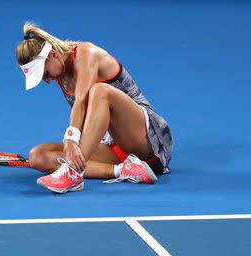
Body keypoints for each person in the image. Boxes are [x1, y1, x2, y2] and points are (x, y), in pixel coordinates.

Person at [16, 22, 172, 193]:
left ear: (53, 54)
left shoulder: (86, 53)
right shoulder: (60, 72)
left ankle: (73, 174)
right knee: (37, 156)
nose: (47, 81)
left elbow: (82, 100)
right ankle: (125, 170)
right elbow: (79, 112)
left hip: (144, 140)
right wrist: (72, 146)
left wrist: (70, 140)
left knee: (99, 90)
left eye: (45, 74)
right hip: (111, 145)